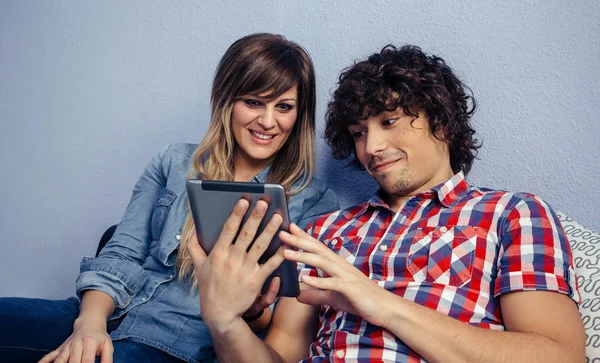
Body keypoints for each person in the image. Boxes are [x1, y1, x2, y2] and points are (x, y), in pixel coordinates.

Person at [190, 45, 586, 362]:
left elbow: (558, 355)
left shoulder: (512, 214)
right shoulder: (322, 233)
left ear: (442, 121)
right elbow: (279, 355)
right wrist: (225, 321)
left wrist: (378, 301)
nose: (372, 147)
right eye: (359, 132)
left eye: (389, 122)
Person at [0, 33, 339, 363]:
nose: (268, 121)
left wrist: (247, 312)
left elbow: (279, 335)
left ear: (299, 115)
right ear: (226, 99)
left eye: (284, 107)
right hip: (105, 312)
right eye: (253, 102)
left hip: (175, 345)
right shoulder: (173, 161)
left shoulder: (313, 203)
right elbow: (120, 255)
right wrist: (89, 326)